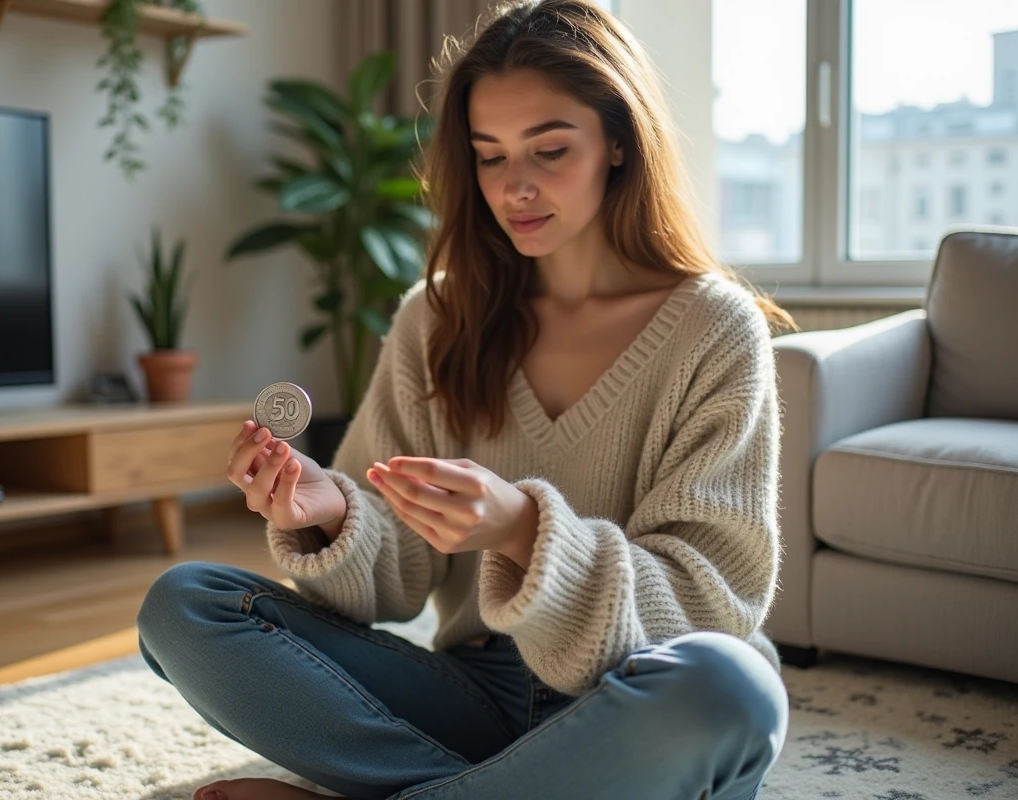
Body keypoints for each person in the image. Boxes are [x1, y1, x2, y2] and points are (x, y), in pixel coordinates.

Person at [137, 1, 798, 798]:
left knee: (734, 688)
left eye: (550, 150)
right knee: (187, 605)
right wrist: (330, 512)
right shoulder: (437, 317)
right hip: (476, 692)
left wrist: (523, 529)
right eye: (490, 157)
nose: (515, 187)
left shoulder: (714, 328)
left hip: (635, 701)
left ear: (619, 141)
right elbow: (395, 576)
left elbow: (709, 603)